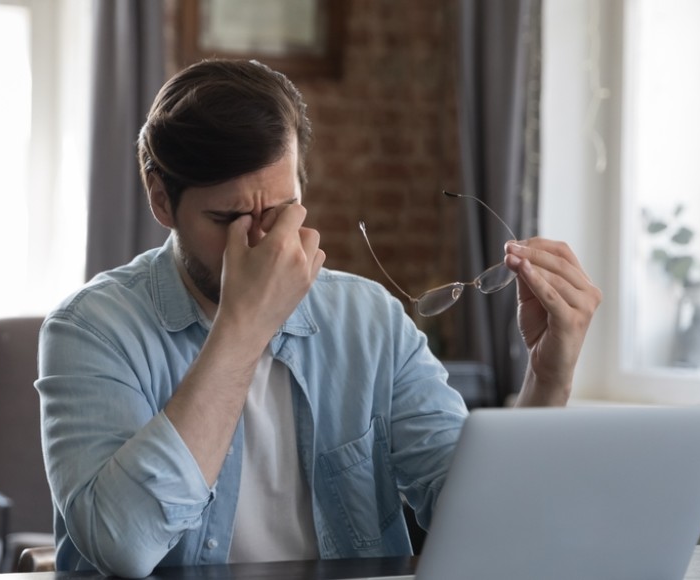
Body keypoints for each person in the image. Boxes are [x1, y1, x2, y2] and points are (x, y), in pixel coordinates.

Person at [36, 59, 601, 578]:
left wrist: (548, 382)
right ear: (162, 202)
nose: (263, 241)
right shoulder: (89, 330)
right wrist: (245, 324)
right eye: (228, 217)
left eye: (281, 210)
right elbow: (124, 546)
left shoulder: (369, 320)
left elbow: (486, 526)